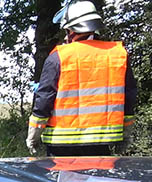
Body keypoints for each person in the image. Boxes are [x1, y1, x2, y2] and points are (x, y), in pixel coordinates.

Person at [27, 1, 137, 156]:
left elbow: (44, 99)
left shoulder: (58, 57)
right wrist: (126, 134)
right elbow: (129, 98)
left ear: (71, 29)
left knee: (64, 181)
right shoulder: (117, 55)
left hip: (61, 147)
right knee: (99, 180)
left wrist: (33, 136)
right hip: (101, 144)